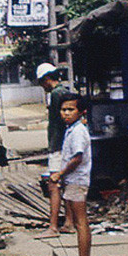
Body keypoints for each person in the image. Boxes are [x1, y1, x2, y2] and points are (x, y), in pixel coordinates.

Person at [51, 95, 93, 256]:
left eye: (70, 110)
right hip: (73, 180)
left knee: (81, 222)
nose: (66, 113)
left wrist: (60, 174)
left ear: (81, 111)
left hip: (77, 180)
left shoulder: (78, 132)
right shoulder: (71, 129)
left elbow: (77, 158)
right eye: (63, 110)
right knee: (78, 222)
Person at [37, 63, 76, 233]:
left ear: (46, 79)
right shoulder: (65, 92)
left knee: (53, 185)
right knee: (66, 184)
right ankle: (68, 222)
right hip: (65, 143)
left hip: (58, 144)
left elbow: (60, 122)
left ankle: (53, 226)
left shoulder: (55, 94)